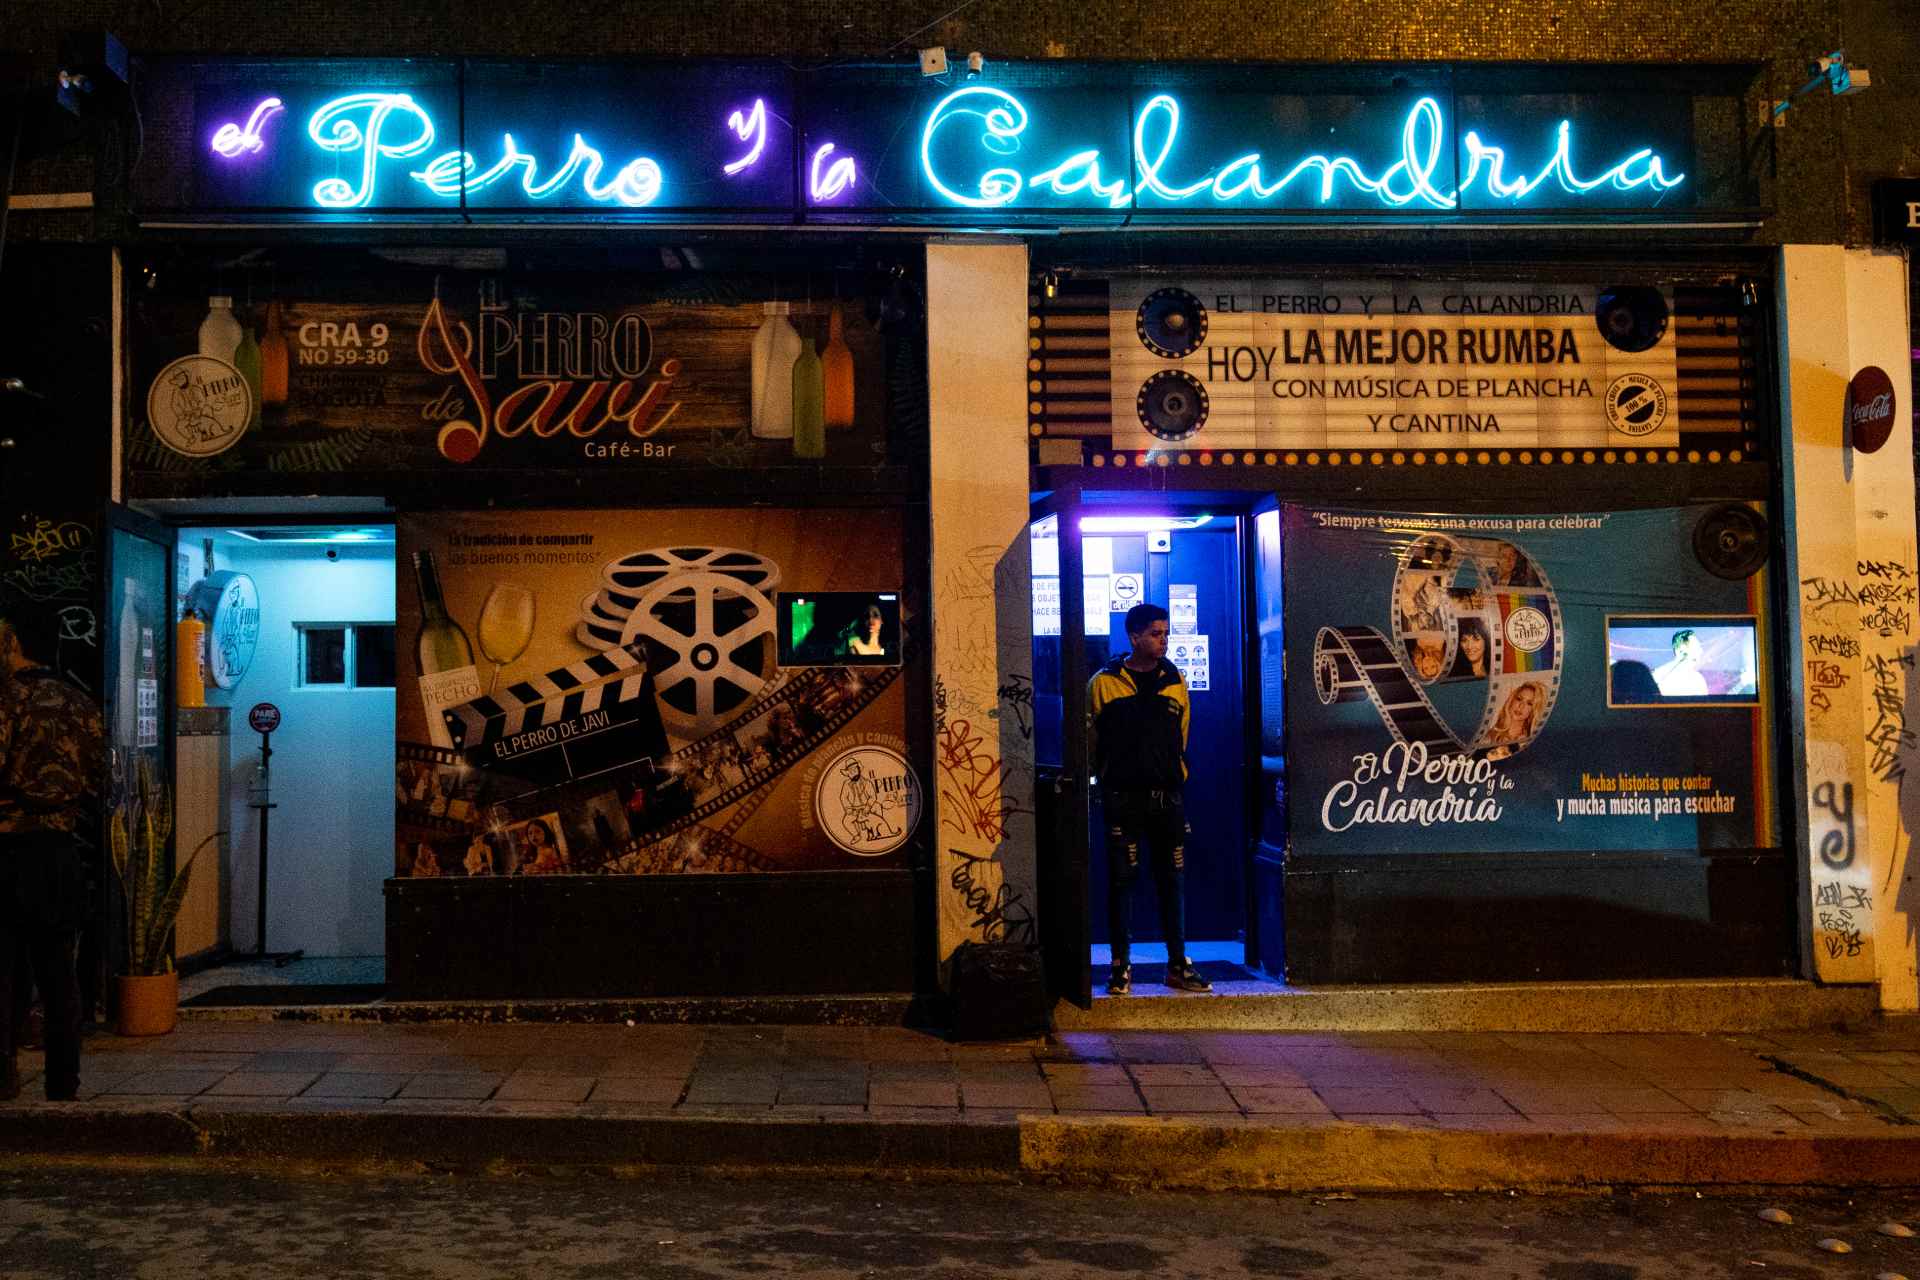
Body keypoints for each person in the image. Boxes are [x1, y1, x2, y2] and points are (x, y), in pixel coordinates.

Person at [0, 606, 104, 1102]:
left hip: (7, 846)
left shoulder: (7, 699)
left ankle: (4, 1078)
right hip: (58, 851)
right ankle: (64, 1082)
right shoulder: (80, 702)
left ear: (12, 643)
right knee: (59, 975)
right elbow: (100, 779)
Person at [1088, 603, 1210, 996]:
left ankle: (1177, 965)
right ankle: (1120, 966)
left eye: (1166, 633)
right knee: (1122, 881)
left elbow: (1183, 735)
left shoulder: (1175, 680)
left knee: (1172, 880)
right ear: (1134, 636)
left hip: (1167, 798)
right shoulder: (1104, 683)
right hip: (1123, 797)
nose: (1164, 640)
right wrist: (1102, 781)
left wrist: (1174, 775)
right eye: (1156, 633)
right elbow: (1091, 743)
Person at [1484, 680, 1546, 761]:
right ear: (1512, 700)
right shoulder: (1489, 735)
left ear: (1533, 711)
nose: (1521, 706)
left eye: (1529, 703)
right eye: (1519, 699)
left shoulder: (1529, 742)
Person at [1651, 629, 1710, 698]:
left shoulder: (1698, 678)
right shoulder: (1659, 676)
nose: (1701, 651)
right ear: (1682, 649)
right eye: (1697, 647)